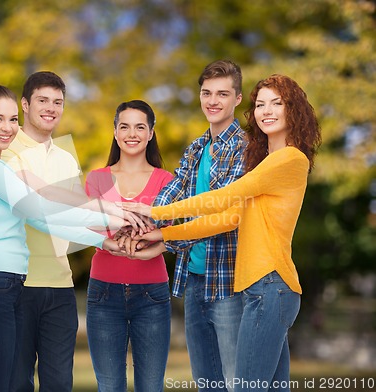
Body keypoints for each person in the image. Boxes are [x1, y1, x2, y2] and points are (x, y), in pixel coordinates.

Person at [122, 74, 322, 392]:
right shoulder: (267, 165)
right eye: (260, 105)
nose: (266, 110)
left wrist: (155, 212)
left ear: (293, 109)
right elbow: (226, 218)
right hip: (262, 290)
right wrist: (164, 236)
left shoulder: (289, 159)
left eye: (276, 103)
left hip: (272, 287)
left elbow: (225, 195)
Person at [0, 85, 124, 392]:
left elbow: (44, 215)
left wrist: (102, 237)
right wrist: (116, 217)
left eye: (12, 120)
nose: (7, 128)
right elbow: (40, 210)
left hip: (4, 283)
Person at [131, 59, 246, 391]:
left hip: (229, 283)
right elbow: (173, 193)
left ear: (237, 99)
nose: (212, 101)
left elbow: (220, 215)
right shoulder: (197, 148)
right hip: (194, 279)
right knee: (207, 383)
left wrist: (163, 238)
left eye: (222, 94)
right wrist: (138, 222)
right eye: (206, 92)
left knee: (236, 380)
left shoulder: (246, 148)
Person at [85, 100, 174, 392]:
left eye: (140, 126)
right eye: (124, 126)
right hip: (103, 293)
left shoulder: (166, 180)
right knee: (109, 386)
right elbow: (94, 228)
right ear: (114, 131)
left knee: (151, 386)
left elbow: (174, 233)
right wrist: (144, 229)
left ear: (151, 133)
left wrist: (150, 237)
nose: (131, 133)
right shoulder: (97, 178)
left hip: (152, 294)